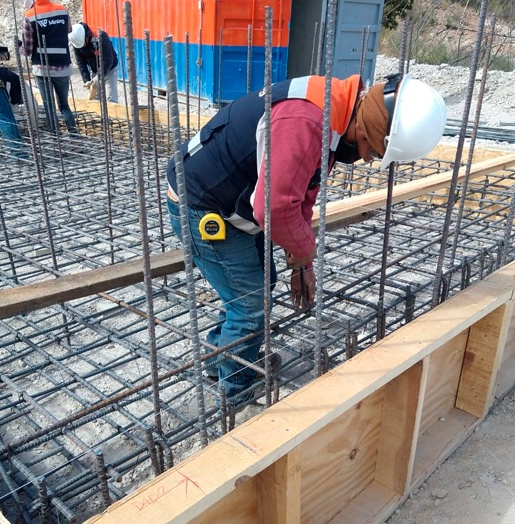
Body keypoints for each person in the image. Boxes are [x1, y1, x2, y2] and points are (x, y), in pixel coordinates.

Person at [166, 73, 446, 404]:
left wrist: (303, 265)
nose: (368, 158)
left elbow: (302, 194)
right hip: (203, 206)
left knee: (255, 288)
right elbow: (274, 209)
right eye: (371, 150)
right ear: (367, 126)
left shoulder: (335, 109)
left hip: (231, 200)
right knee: (249, 304)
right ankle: (235, 394)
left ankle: (222, 361)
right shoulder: (306, 120)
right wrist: (303, 251)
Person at [22, 0, 76, 133]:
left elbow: (28, 49)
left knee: (49, 107)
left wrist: (20, 48)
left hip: (42, 68)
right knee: (64, 105)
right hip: (63, 66)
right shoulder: (62, 10)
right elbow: (69, 29)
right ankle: (74, 135)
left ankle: (56, 137)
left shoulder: (30, 15)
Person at [69, 22, 119, 104]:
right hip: (95, 69)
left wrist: (98, 77)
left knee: (111, 98)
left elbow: (108, 60)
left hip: (110, 68)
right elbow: (81, 63)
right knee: (95, 99)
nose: (83, 46)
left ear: (86, 36)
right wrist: (86, 80)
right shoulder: (76, 43)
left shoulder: (101, 36)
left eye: (83, 43)